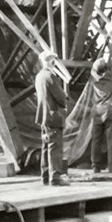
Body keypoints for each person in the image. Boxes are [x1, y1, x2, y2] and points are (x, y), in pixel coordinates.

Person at [35, 50, 70, 186]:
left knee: (45, 146)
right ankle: (55, 177)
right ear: (52, 61)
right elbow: (61, 98)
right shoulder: (50, 76)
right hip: (53, 116)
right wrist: (65, 96)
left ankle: (45, 176)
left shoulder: (39, 76)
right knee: (55, 147)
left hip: (43, 116)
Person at [90, 33, 112, 173]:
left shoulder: (94, 77)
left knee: (96, 139)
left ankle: (95, 166)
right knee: (111, 140)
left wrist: (103, 45)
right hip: (110, 109)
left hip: (97, 110)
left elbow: (97, 63)